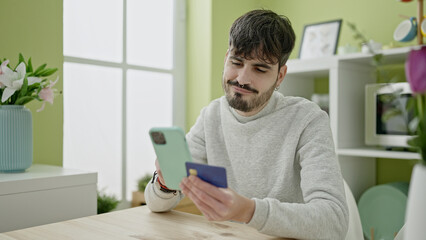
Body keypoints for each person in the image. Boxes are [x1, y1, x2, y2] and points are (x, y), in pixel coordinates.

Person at [145, 9, 349, 239]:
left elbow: (335, 222)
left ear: (280, 76)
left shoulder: (308, 119)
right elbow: (155, 205)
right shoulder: (212, 116)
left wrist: (249, 211)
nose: (242, 78)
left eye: (260, 69)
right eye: (236, 62)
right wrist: (164, 183)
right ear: (226, 59)